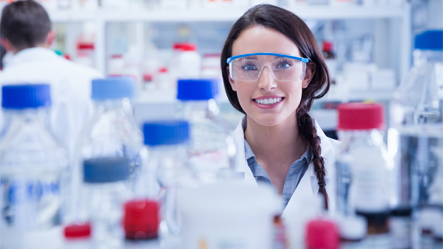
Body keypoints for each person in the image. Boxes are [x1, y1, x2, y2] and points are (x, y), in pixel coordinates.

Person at [220, 4, 339, 216]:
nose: (267, 84)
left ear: (306, 74)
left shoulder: (347, 165)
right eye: (249, 67)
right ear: (231, 77)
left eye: (283, 64)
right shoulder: (207, 170)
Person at [0, 0, 103, 159]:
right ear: (51, 37)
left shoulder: (4, 83)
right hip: (90, 182)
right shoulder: (93, 80)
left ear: (5, 43)